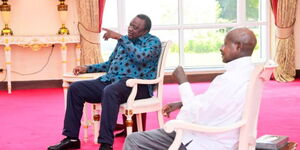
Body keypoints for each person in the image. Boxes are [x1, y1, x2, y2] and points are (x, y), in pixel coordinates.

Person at [123, 27, 257, 150]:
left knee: (133, 140)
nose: (221, 48)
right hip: (224, 138)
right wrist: (181, 104)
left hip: (203, 141)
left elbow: (194, 113)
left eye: (225, 44)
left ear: (237, 46)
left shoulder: (228, 80)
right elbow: (218, 104)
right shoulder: (249, 73)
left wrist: (182, 81)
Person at [48, 14, 162, 150]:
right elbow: (109, 64)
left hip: (137, 86)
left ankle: (106, 144)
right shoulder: (125, 41)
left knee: (110, 91)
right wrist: (88, 68)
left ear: (145, 31)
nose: (131, 29)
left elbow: (140, 57)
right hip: (112, 80)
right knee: (76, 88)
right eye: (130, 25)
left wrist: (121, 38)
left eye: (136, 28)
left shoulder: (153, 42)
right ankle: (71, 138)